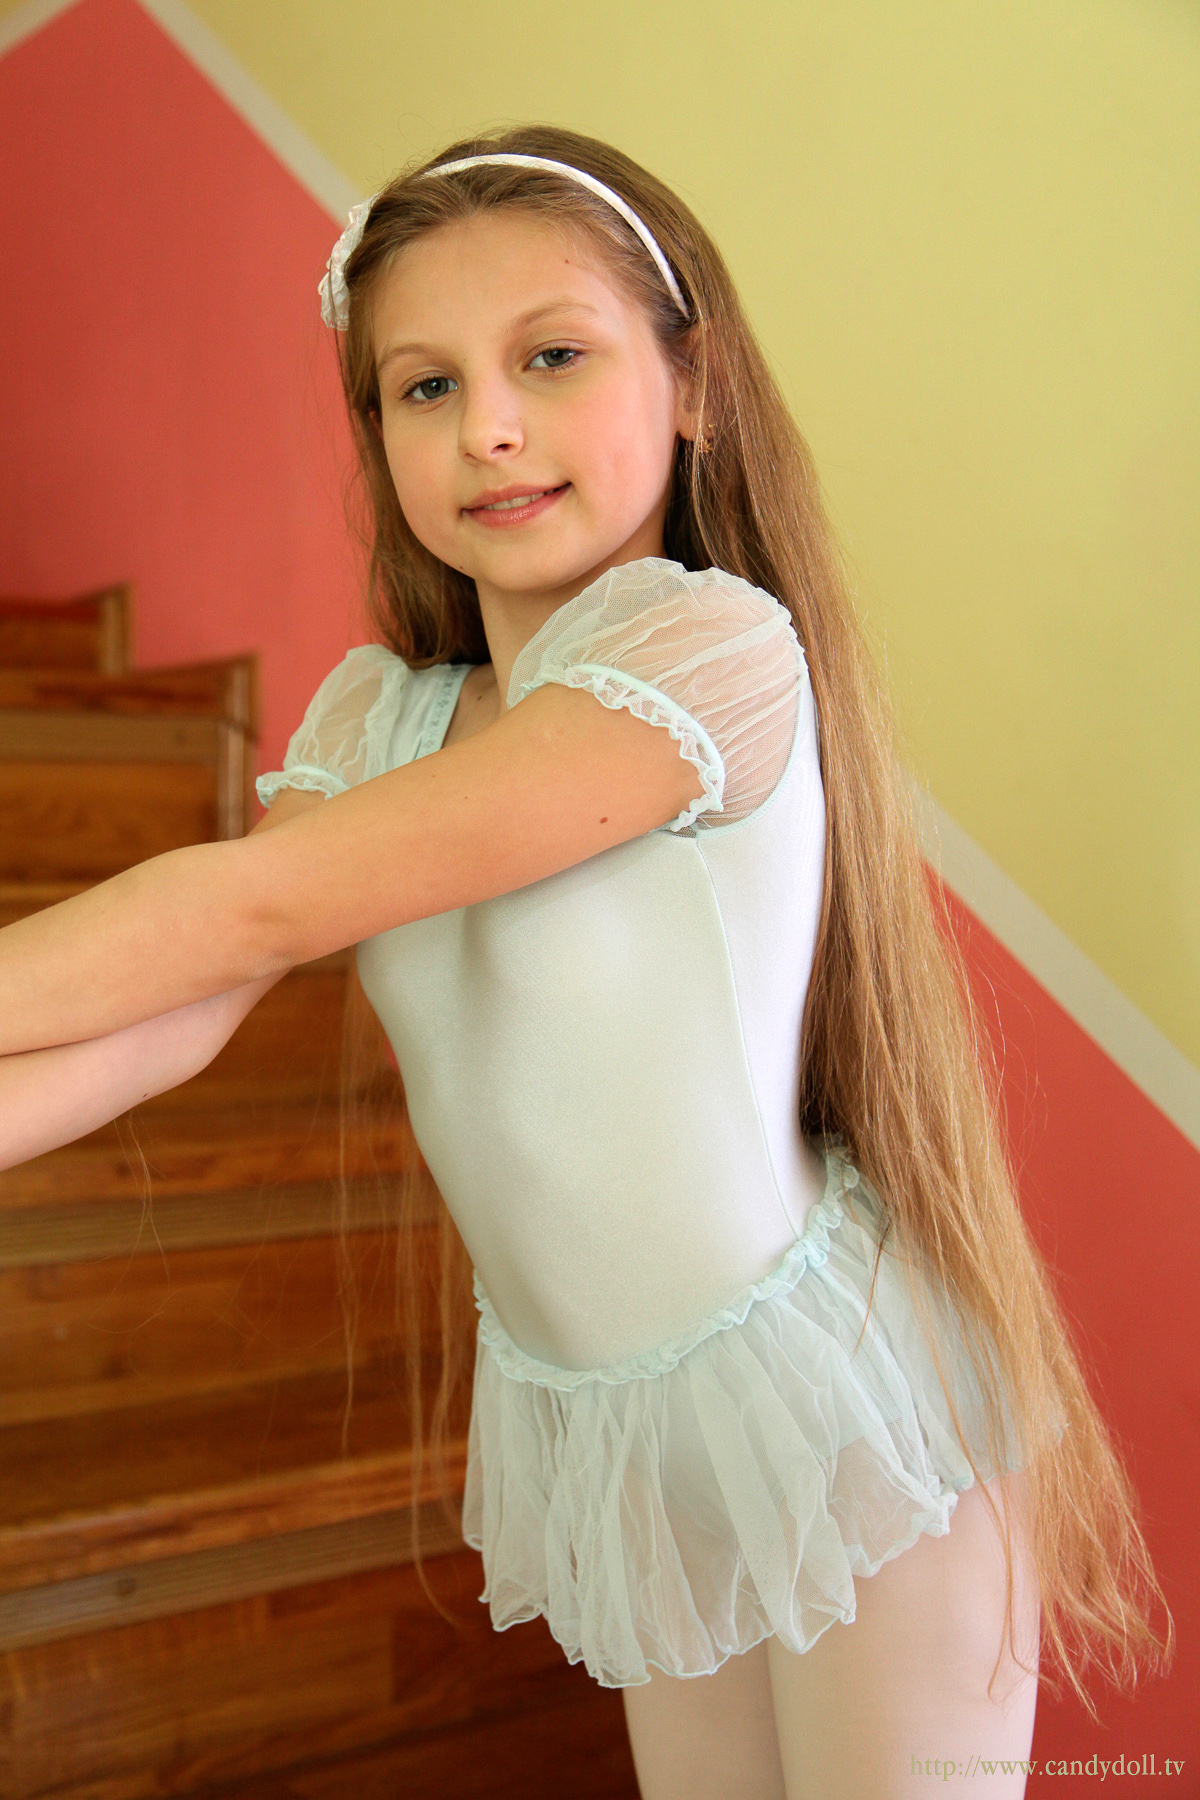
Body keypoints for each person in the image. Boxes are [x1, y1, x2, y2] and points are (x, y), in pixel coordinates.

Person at [0, 126, 1171, 1799]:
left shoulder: (712, 652)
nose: (487, 424)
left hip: (825, 1406)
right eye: (423, 386)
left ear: (692, 385)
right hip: (612, 1424)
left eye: (551, 357)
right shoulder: (377, 719)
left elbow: (250, 910)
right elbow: (173, 1015)